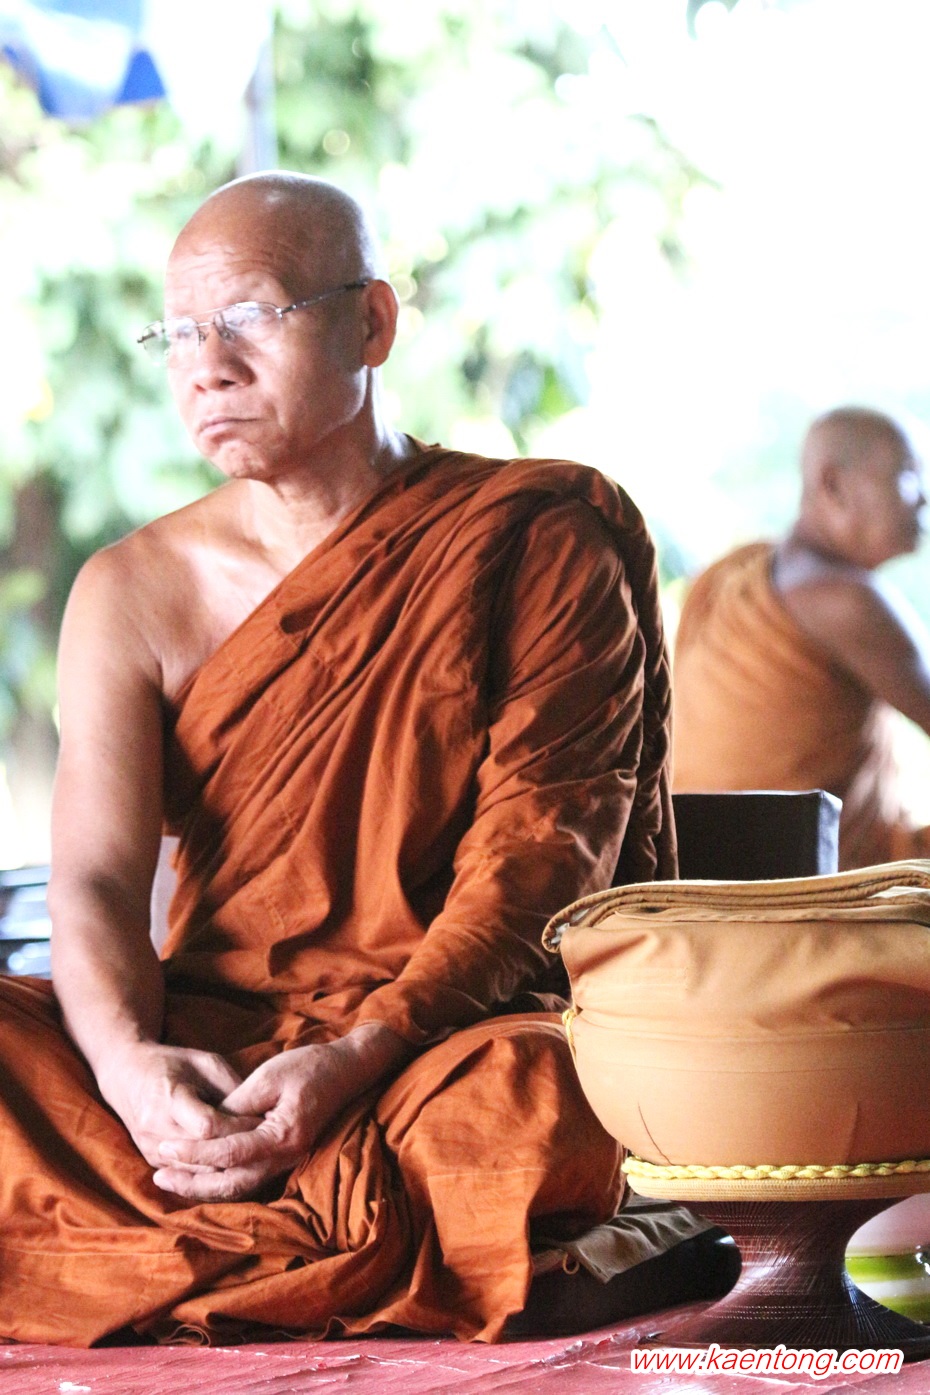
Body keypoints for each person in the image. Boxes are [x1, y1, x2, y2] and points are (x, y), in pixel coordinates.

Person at [0, 173, 728, 1347]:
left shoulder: (534, 539)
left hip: (438, 1044)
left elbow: (541, 862)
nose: (206, 366)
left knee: (544, 1099)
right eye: (178, 333)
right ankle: (390, 1254)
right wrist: (131, 1071)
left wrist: (358, 1053)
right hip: (214, 1042)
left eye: (249, 316)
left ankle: (161, 1251)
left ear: (373, 323)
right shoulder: (131, 590)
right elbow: (91, 881)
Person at [672, 405, 930, 870]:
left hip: (691, 869)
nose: (923, 499)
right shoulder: (843, 600)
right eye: (908, 476)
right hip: (806, 887)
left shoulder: (735, 573)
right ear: (834, 486)